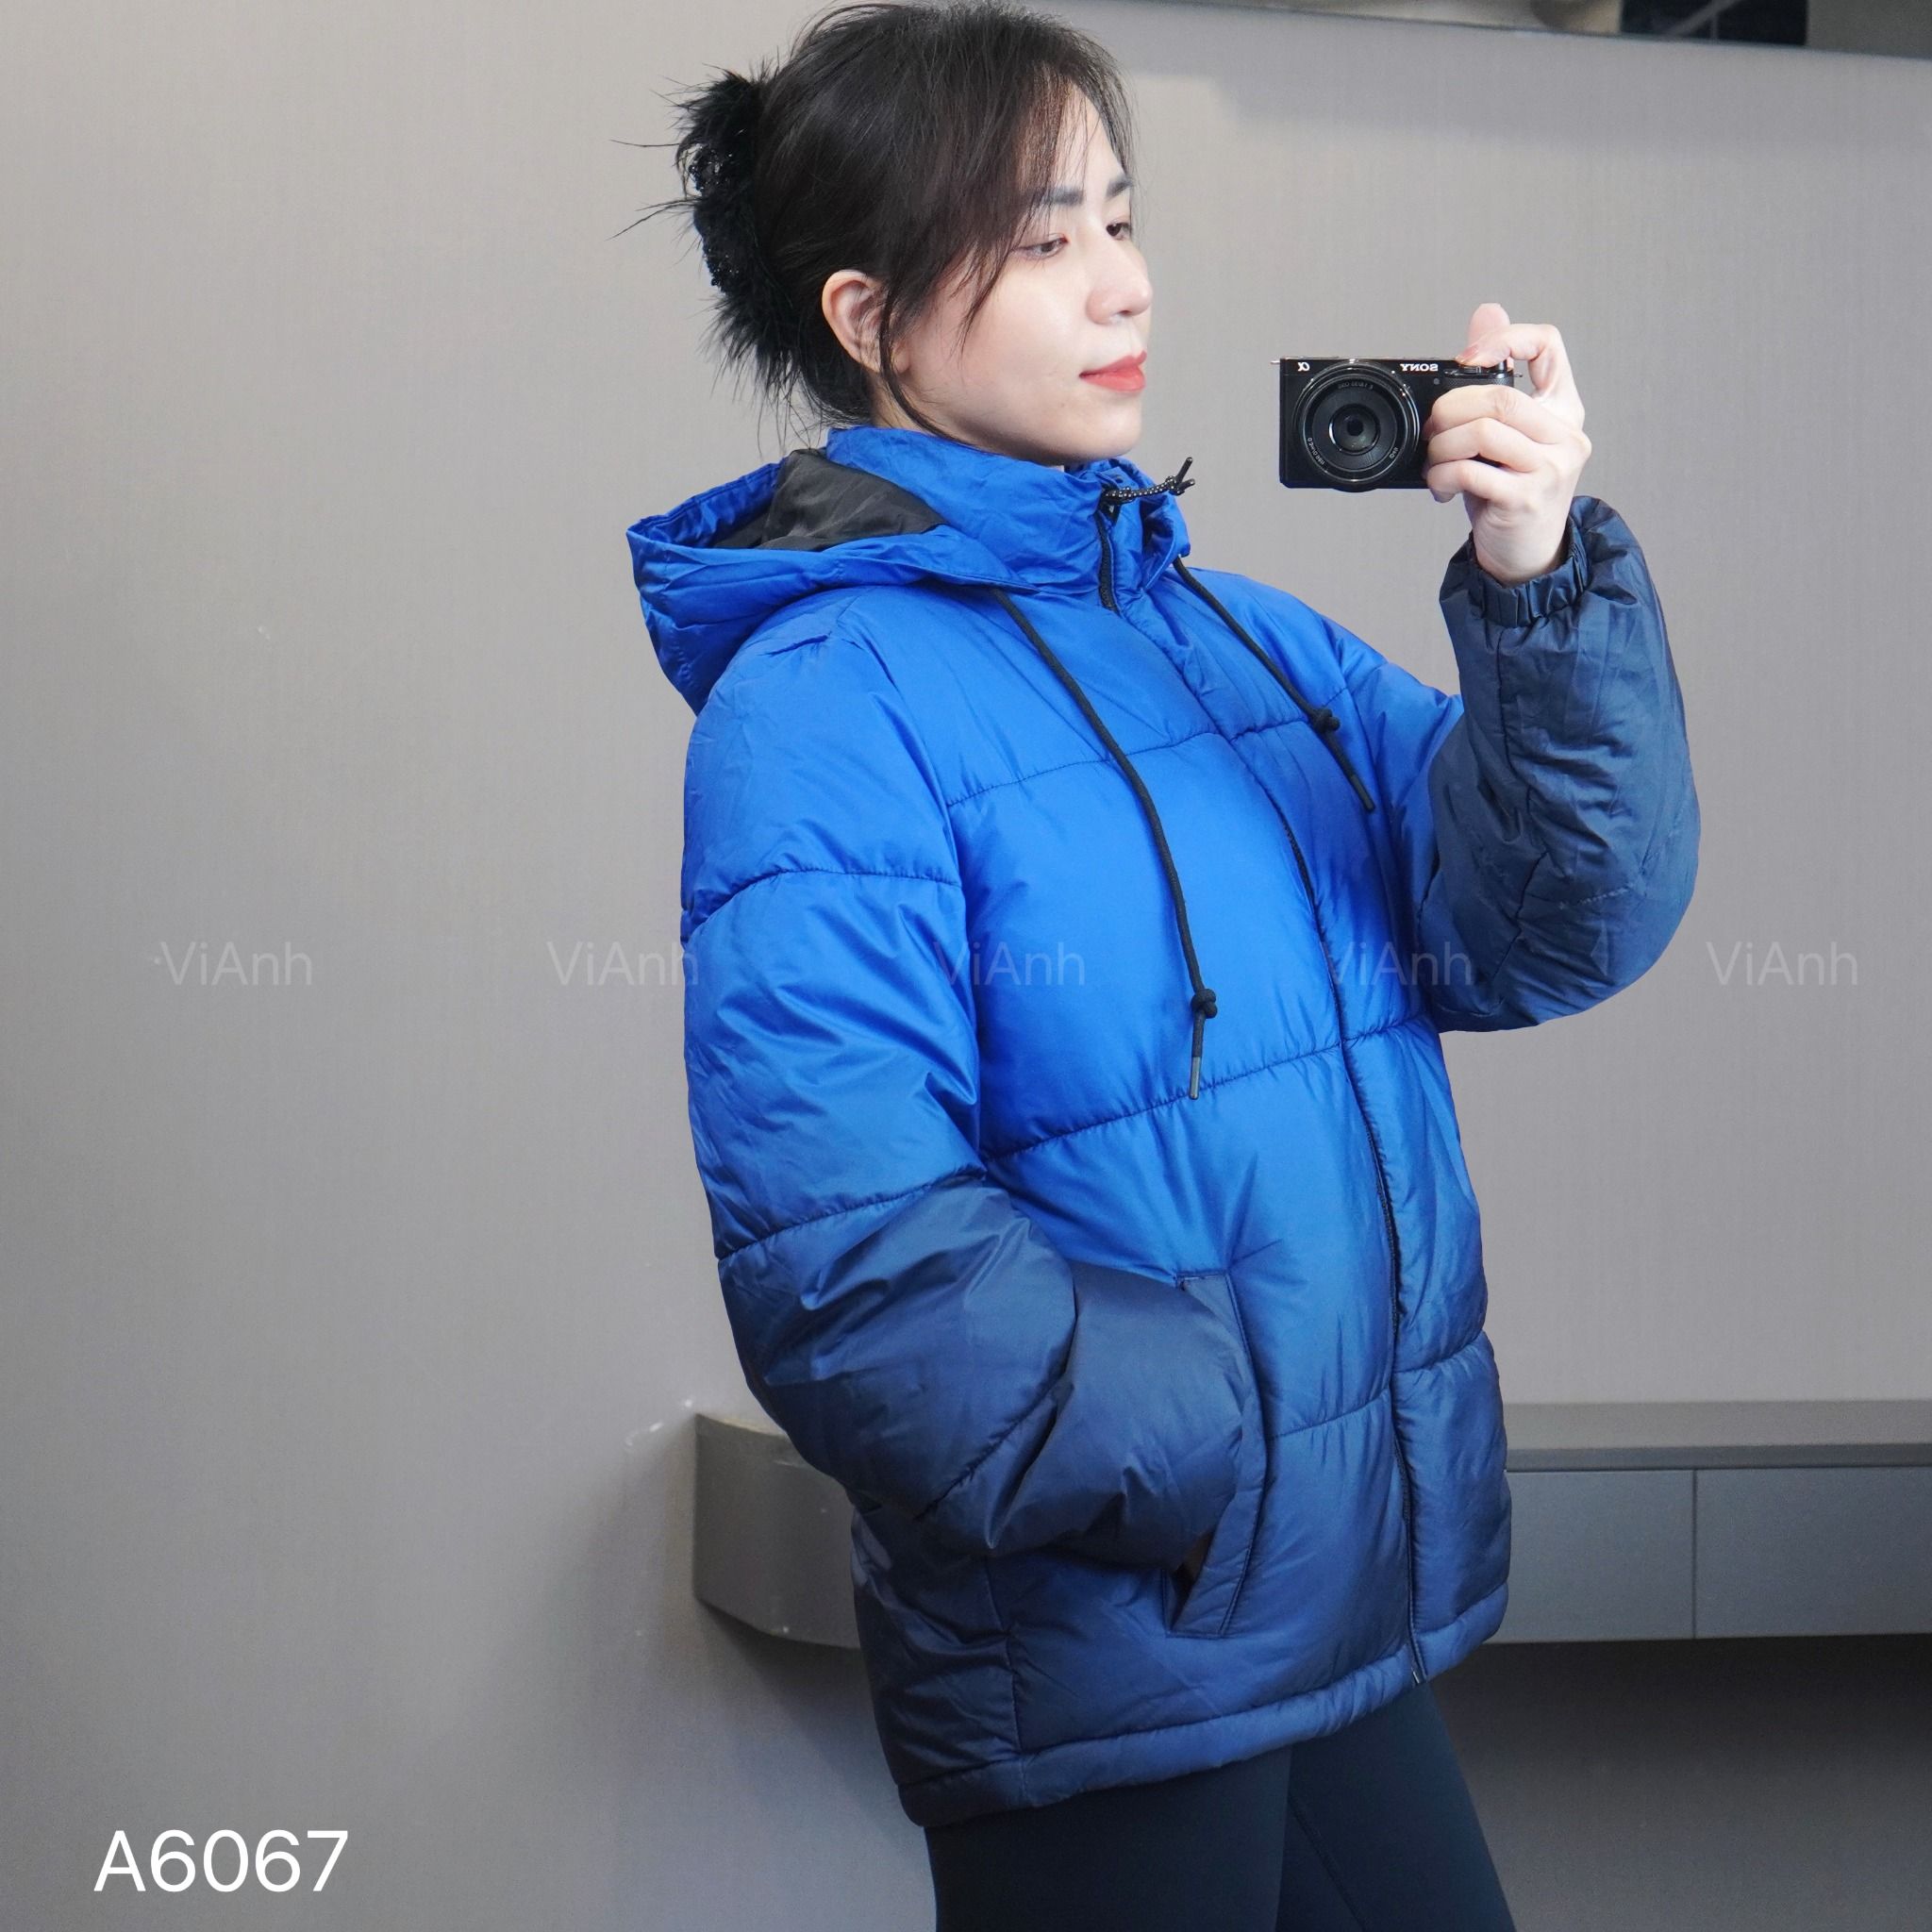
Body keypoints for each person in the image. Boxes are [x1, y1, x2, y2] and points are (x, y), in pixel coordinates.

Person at [625, 5, 1698, 1925]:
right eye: (1044, 240)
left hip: (1323, 1611)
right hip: (1118, 1646)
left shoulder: (1239, 645)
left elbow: (1550, 925)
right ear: (870, 318)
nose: (1122, 283)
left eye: (1119, 220)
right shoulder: (824, 704)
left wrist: (1533, 580)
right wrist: (1213, 1447)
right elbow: (849, 1256)